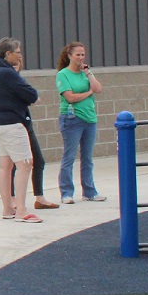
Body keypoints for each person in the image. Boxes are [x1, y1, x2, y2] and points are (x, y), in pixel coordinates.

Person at [0, 36, 41, 222]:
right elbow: (31, 93)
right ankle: (21, 211)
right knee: (25, 164)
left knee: (5, 166)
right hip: (11, 124)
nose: (20, 56)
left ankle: (8, 209)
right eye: (18, 53)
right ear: (7, 53)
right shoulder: (7, 73)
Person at [57, 41, 106, 204]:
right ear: (69, 56)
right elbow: (70, 97)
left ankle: (89, 191)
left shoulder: (85, 74)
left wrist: (89, 74)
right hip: (72, 119)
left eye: (82, 54)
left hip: (89, 118)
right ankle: (66, 192)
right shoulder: (63, 74)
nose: (80, 57)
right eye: (77, 54)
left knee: (87, 158)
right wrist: (88, 92)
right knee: (69, 156)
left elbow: (98, 89)